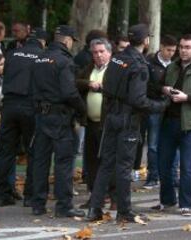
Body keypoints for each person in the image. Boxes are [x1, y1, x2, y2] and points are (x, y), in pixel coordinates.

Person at [86, 24, 169, 223]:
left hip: (111, 116)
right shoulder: (138, 65)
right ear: (146, 41)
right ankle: (124, 210)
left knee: (106, 164)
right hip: (127, 120)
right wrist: (162, 104)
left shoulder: (116, 58)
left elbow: (110, 88)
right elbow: (138, 99)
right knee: (123, 167)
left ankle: (94, 208)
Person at [151, 34, 191, 216]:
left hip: (190, 125)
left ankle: (186, 204)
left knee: (187, 167)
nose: (183, 50)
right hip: (169, 122)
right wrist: (164, 89)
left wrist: (187, 98)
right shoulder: (171, 67)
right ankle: (167, 200)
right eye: (181, 47)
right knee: (164, 164)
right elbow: (157, 86)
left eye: (187, 47)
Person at [31, 25, 86, 218]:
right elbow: (69, 92)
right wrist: (82, 110)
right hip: (60, 117)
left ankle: (37, 204)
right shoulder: (64, 61)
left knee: (40, 161)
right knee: (63, 161)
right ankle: (64, 205)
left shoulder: (39, 58)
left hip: (41, 115)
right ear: (68, 40)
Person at [0, 28, 48, 208]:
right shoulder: (42, 56)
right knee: (33, 151)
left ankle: (2, 194)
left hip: (8, 105)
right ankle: (30, 195)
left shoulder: (11, 54)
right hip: (30, 106)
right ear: (42, 42)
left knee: (5, 151)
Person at [76, 37, 116, 209]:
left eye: (102, 52)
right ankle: (95, 196)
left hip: (108, 123)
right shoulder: (89, 69)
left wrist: (102, 87)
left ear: (109, 53)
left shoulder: (114, 69)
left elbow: (118, 88)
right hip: (91, 122)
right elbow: (75, 82)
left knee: (110, 161)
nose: (98, 55)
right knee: (91, 161)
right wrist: (88, 84)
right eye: (95, 52)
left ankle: (115, 197)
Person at [142, 34, 177, 189]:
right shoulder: (149, 62)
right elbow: (145, 85)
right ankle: (153, 176)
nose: (171, 53)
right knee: (153, 144)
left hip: (171, 107)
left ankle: (172, 176)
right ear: (161, 47)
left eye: (173, 51)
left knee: (173, 143)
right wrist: (161, 89)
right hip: (155, 105)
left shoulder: (175, 64)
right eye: (168, 50)